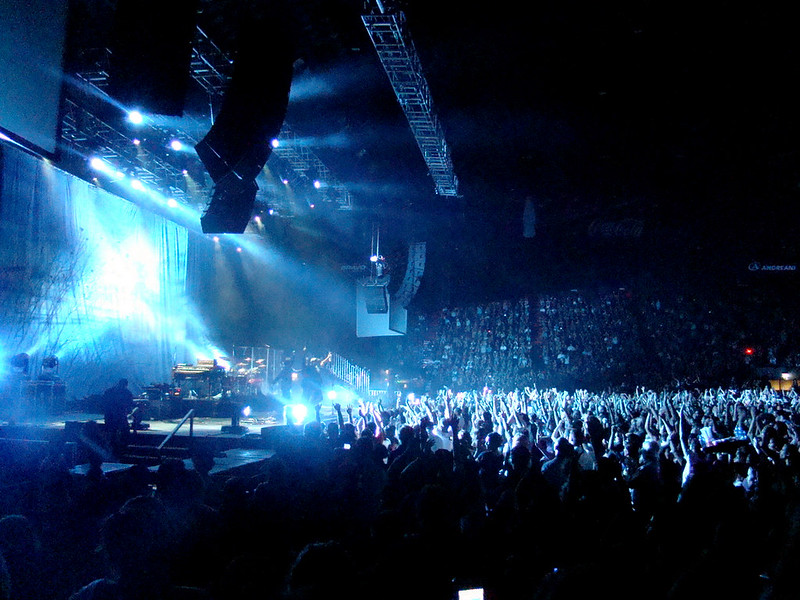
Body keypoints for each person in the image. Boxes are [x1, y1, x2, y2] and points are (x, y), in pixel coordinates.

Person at [102, 379, 135, 455]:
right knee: (123, 431)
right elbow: (129, 404)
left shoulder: (109, 391)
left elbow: (104, 403)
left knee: (112, 432)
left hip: (110, 415)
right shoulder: (126, 393)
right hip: (118, 415)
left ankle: (113, 448)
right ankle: (123, 447)